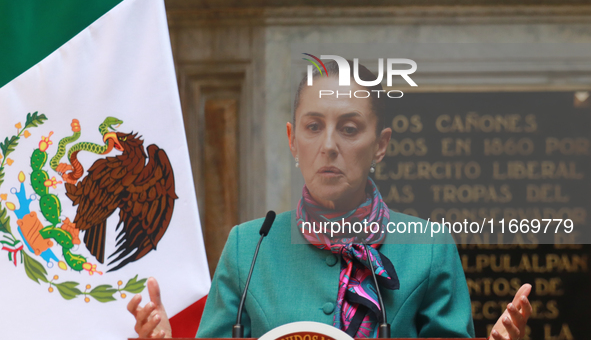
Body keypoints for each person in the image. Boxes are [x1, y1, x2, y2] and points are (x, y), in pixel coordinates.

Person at [127, 61, 532, 339]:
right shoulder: (249, 248)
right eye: (314, 126)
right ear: (292, 140)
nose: (329, 146)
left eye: (350, 128)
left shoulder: (428, 247)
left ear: (381, 145)